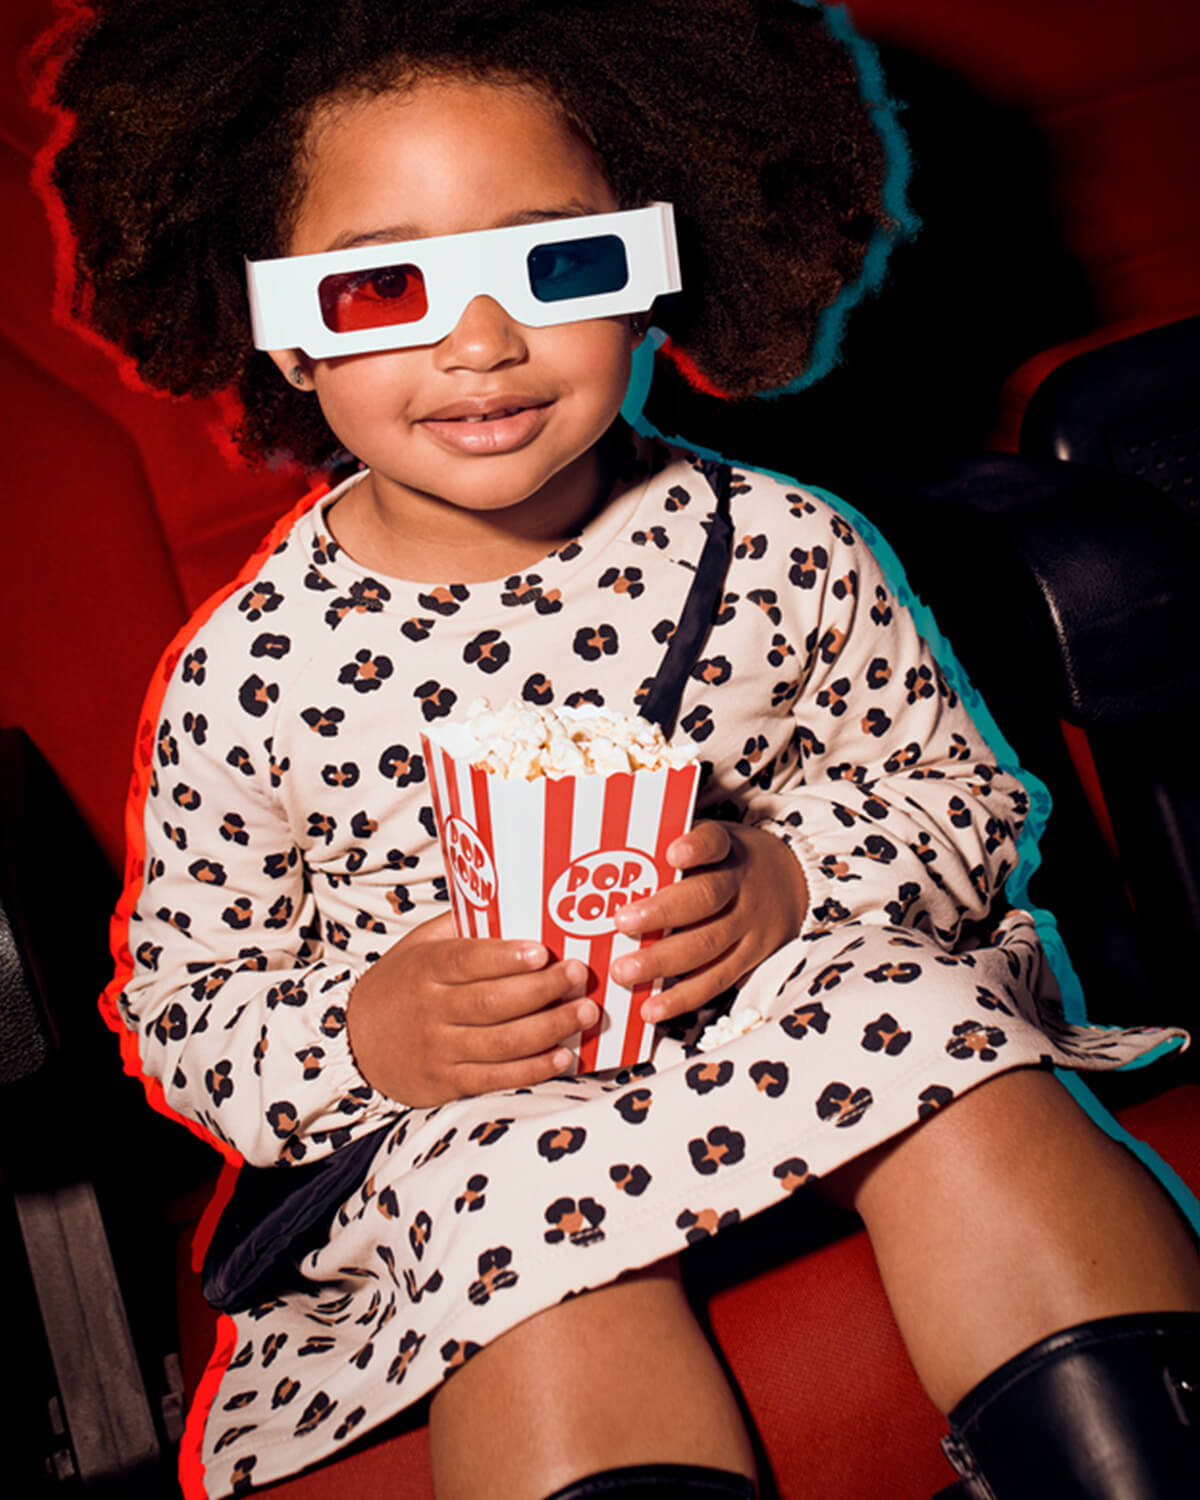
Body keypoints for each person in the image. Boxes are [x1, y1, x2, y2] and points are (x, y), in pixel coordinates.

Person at [41, 2, 1200, 1496]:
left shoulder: (780, 546)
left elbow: (961, 799)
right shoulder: (252, 673)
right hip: (490, 1133)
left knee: (939, 1036)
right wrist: (371, 1032)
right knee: (512, 1215)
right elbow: (188, 1002)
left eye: (560, 265)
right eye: (385, 284)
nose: (480, 341)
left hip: (814, 1024)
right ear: (285, 330)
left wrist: (790, 881)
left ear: (656, 273)